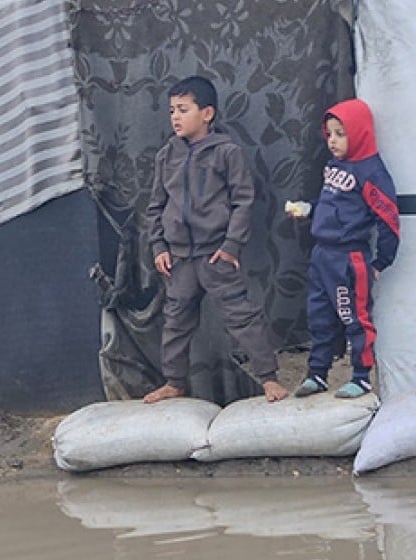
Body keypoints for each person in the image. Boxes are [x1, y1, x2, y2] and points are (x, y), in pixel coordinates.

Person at [142, 76, 288, 404]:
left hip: (215, 255)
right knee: (176, 320)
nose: (175, 117)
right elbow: (155, 206)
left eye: (183, 109)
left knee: (241, 315)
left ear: (207, 113)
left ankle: (268, 378)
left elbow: (243, 200)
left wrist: (231, 246)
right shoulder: (166, 156)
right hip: (178, 259)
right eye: (171, 111)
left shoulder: (226, 152)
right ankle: (174, 382)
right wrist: (159, 246)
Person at [290, 98, 400, 399]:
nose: (333, 141)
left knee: (354, 317)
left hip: (349, 258)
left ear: (360, 132)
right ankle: (317, 373)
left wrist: (381, 261)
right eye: (330, 134)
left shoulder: (371, 171)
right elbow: (332, 207)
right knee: (319, 316)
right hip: (321, 255)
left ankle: (362, 376)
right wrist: (309, 209)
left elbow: (388, 217)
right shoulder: (334, 166)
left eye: (341, 133)